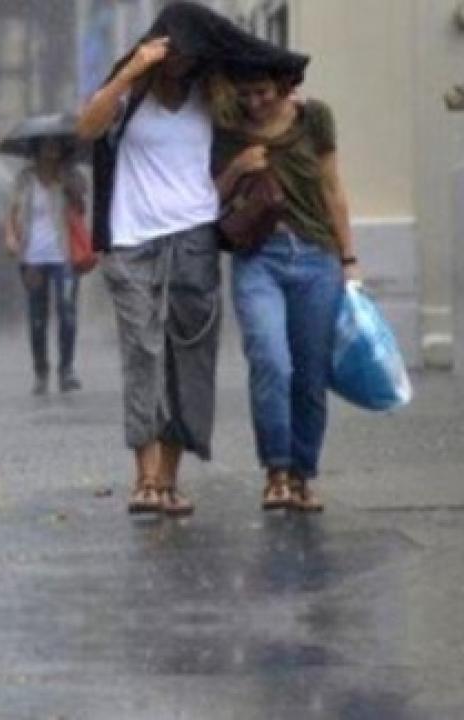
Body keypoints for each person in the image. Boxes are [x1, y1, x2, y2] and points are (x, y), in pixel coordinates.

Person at [77, 2, 307, 516]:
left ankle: (169, 478)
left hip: (195, 237)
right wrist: (134, 68)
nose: (182, 65)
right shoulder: (132, 90)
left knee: (189, 357)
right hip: (132, 240)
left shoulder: (211, 94)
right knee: (143, 351)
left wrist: (278, 120)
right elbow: (86, 128)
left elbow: (272, 75)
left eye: (192, 57)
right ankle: (144, 475)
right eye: (175, 55)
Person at [213, 65, 357, 513]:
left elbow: (332, 187)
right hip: (259, 257)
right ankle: (275, 470)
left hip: (317, 257)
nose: (254, 102)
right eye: (246, 93)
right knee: (270, 359)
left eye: (262, 92)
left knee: (311, 374)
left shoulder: (314, 118)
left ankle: (302, 474)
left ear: (283, 87)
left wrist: (349, 259)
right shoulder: (227, 126)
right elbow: (205, 196)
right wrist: (238, 167)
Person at [4, 136, 87, 395]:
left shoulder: (71, 176)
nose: (51, 150)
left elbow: (81, 209)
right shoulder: (24, 179)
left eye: (56, 145)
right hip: (33, 257)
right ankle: (41, 372)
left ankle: (67, 370)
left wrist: (69, 186)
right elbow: (13, 211)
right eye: (46, 146)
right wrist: (11, 238)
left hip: (63, 256)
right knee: (38, 318)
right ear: (36, 150)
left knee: (67, 314)